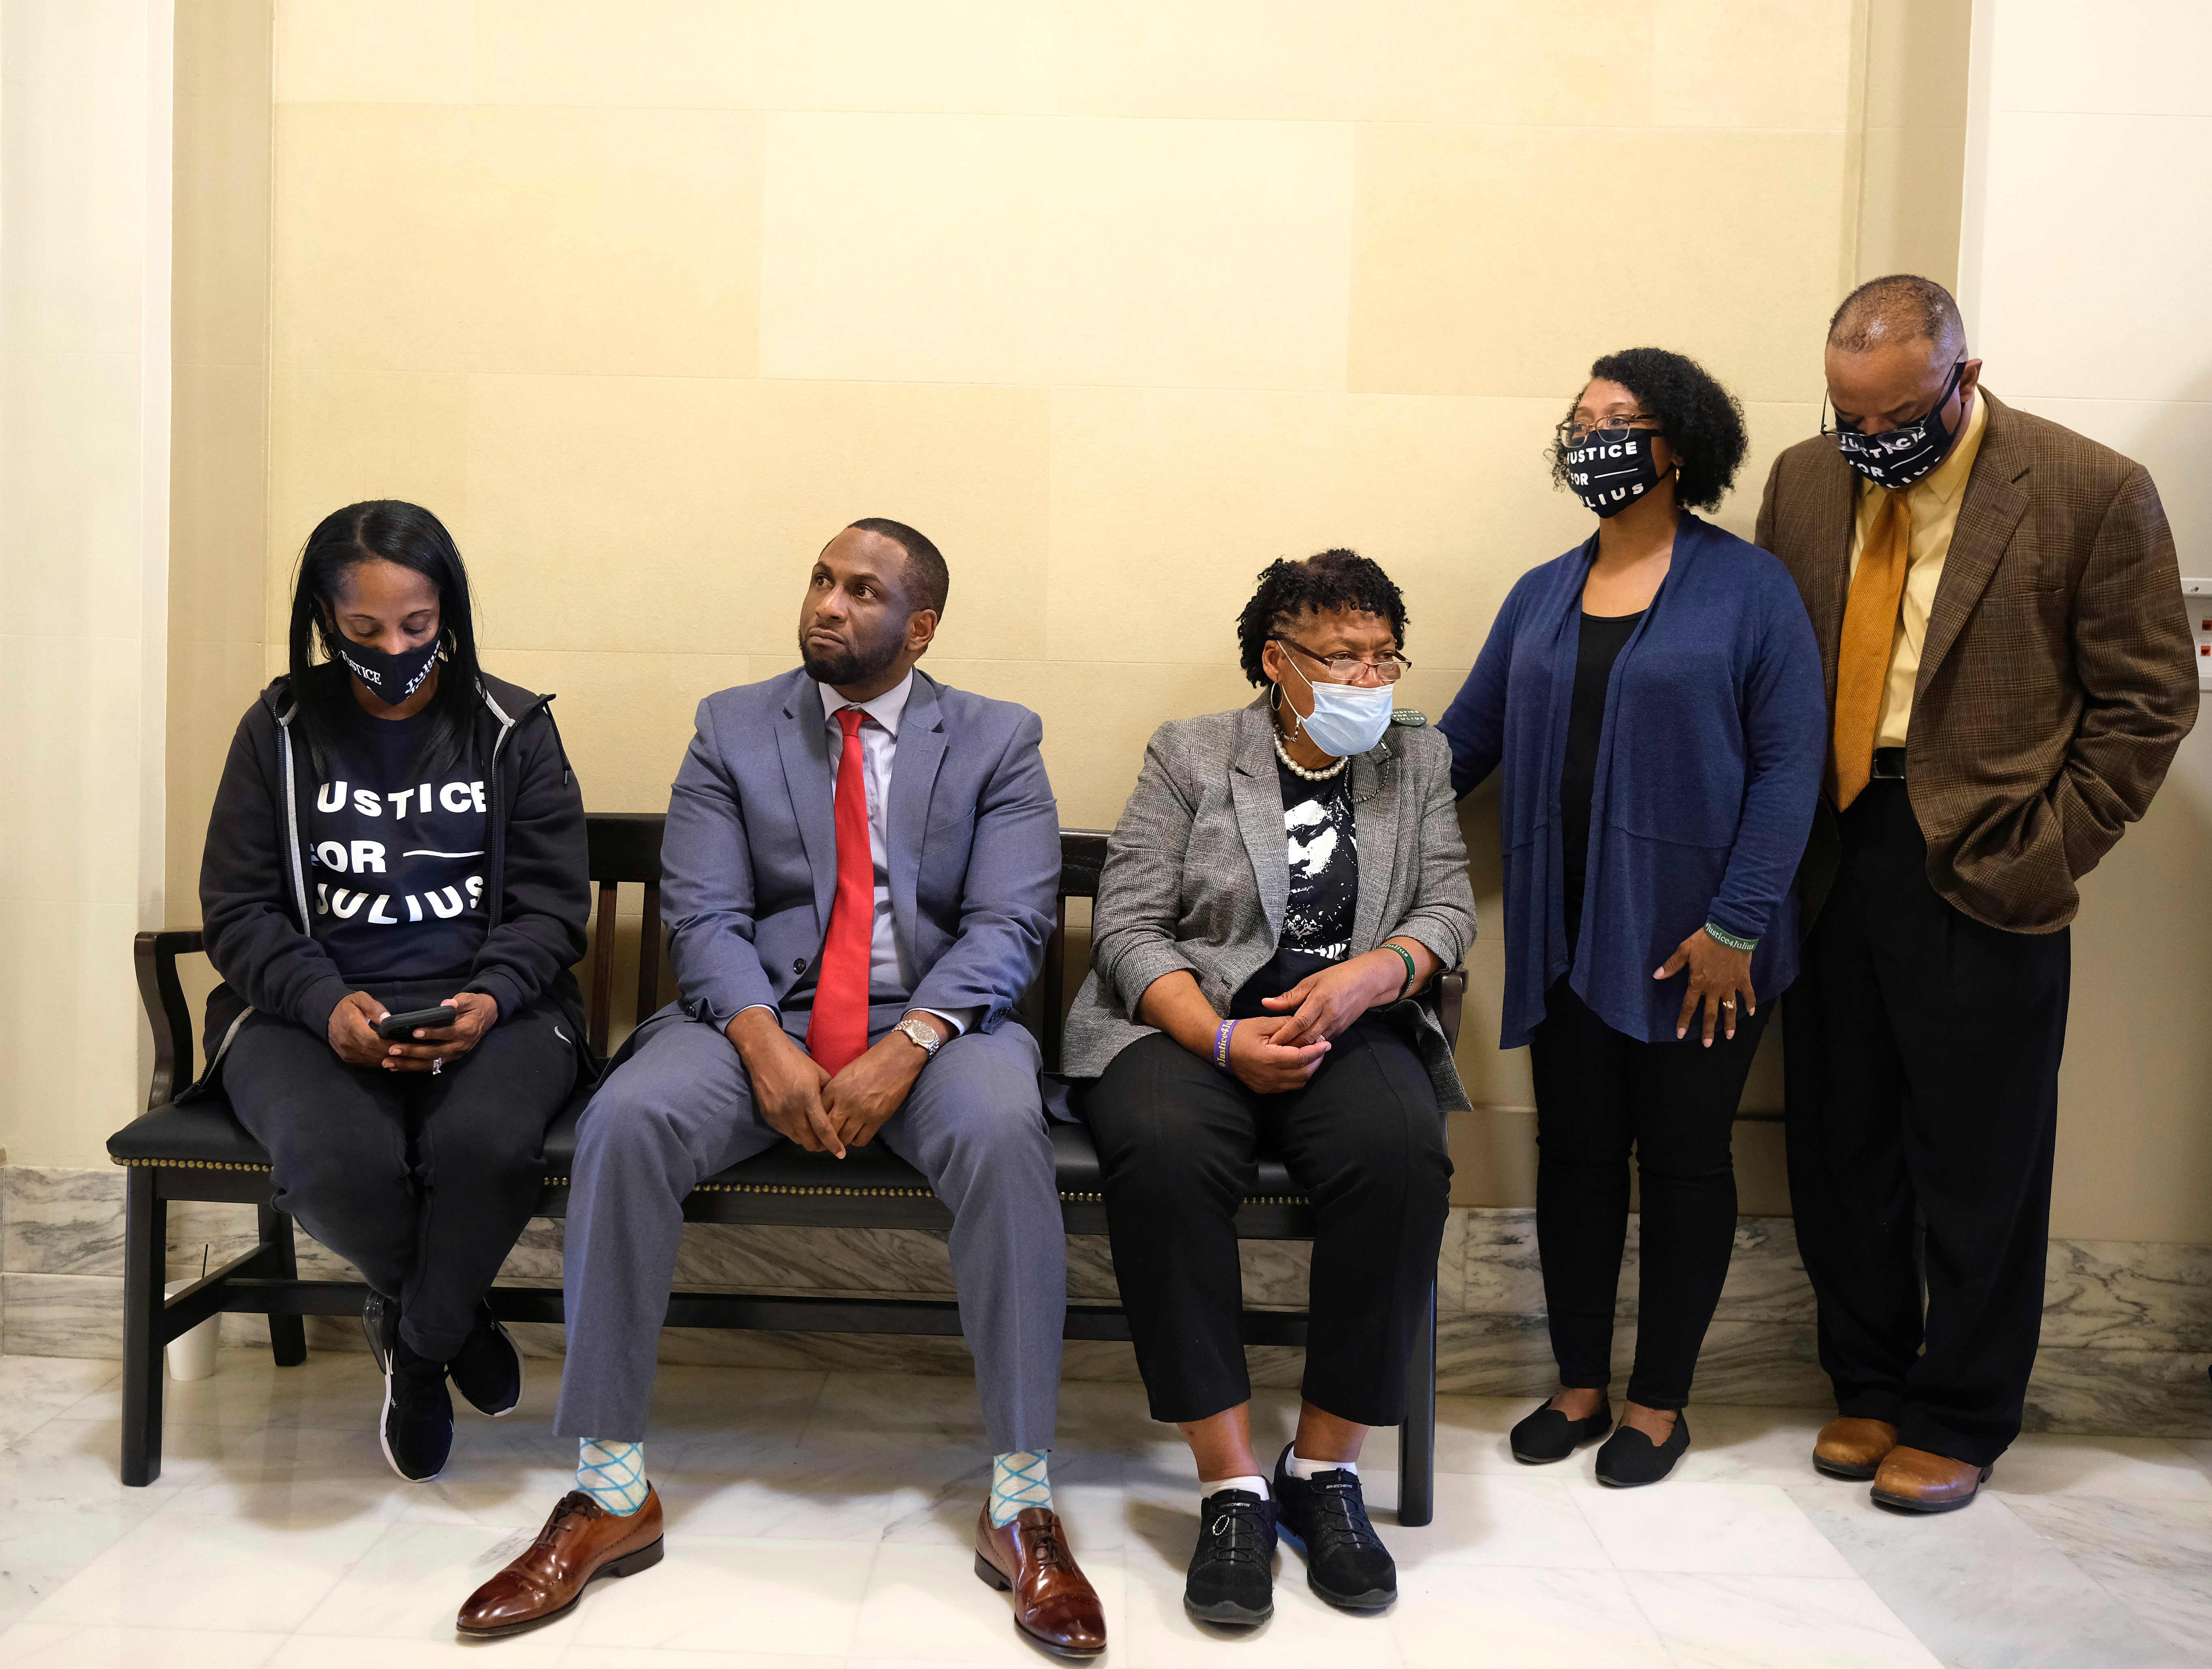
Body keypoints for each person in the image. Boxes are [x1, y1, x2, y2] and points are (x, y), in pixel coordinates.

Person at [456, 520, 1105, 1655]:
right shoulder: (732, 725)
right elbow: (700, 915)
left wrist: (906, 1046)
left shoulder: (999, 739)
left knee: (1006, 1132)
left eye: (862, 591)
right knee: (630, 1117)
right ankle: (609, 1487)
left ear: (920, 625)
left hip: (938, 1031)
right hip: (758, 1015)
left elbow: (1010, 923)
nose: (828, 604)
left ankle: (1020, 1500)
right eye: (820, 579)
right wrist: (764, 1043)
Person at [1758, 275, 2197, 1512]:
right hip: (1831, 845)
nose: (1864, 438)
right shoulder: (1801, 479)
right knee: (1838, 1137)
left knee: (1977, 1154)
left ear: (1962, 377)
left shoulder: (2085, 487)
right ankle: (1866, 1380)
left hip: (1986, 851)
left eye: (1892, 412)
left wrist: (2052, 845)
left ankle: (1960, 1410)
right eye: (1844, 411)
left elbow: (2148, 700)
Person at [1063, 550, 1475, 1626]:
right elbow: (1127, 927)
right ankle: (1230, 1485)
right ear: (1275, 663)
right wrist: (1216, 1039)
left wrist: (1371, 975)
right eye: (1342, 657)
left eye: (1383, 654)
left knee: (1400, 1152)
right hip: (1192, 1022)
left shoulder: (1414, 759)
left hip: (1351, 1022)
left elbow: (1446, 909)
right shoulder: (1191, 751)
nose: (1368, 679)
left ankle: (1323, 1472)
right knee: (1159, 1150)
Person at [1439, 350, 1825, 1487]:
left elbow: (1788, 768)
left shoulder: (1749, 590)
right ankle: (1575, 1385)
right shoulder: (1538, 592)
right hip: (1564, 932)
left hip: (1702, 945)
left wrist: (1737, 928)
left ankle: (1657, 1403)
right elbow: (1464, 744)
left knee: (1685, 1157)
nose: (1590, 436)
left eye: (1618, 418)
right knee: (1576, 1156)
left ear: (1678, 444)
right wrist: (1324, 766)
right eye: (1578, 419)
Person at [194, 500, 591, 1481]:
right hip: (304, 1011)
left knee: (486, 1145)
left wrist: (492, 999)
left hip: (495, 1010)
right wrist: (327, 1003)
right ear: (326, 621)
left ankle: (414, 1353)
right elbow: (238, 908)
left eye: (417, 626)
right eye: (365, 631)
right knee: (335, 1159)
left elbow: (550, 907)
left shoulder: (514, 729)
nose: (396, 650)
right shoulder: (278, 730)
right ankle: (451, 1320)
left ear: (447, 609)